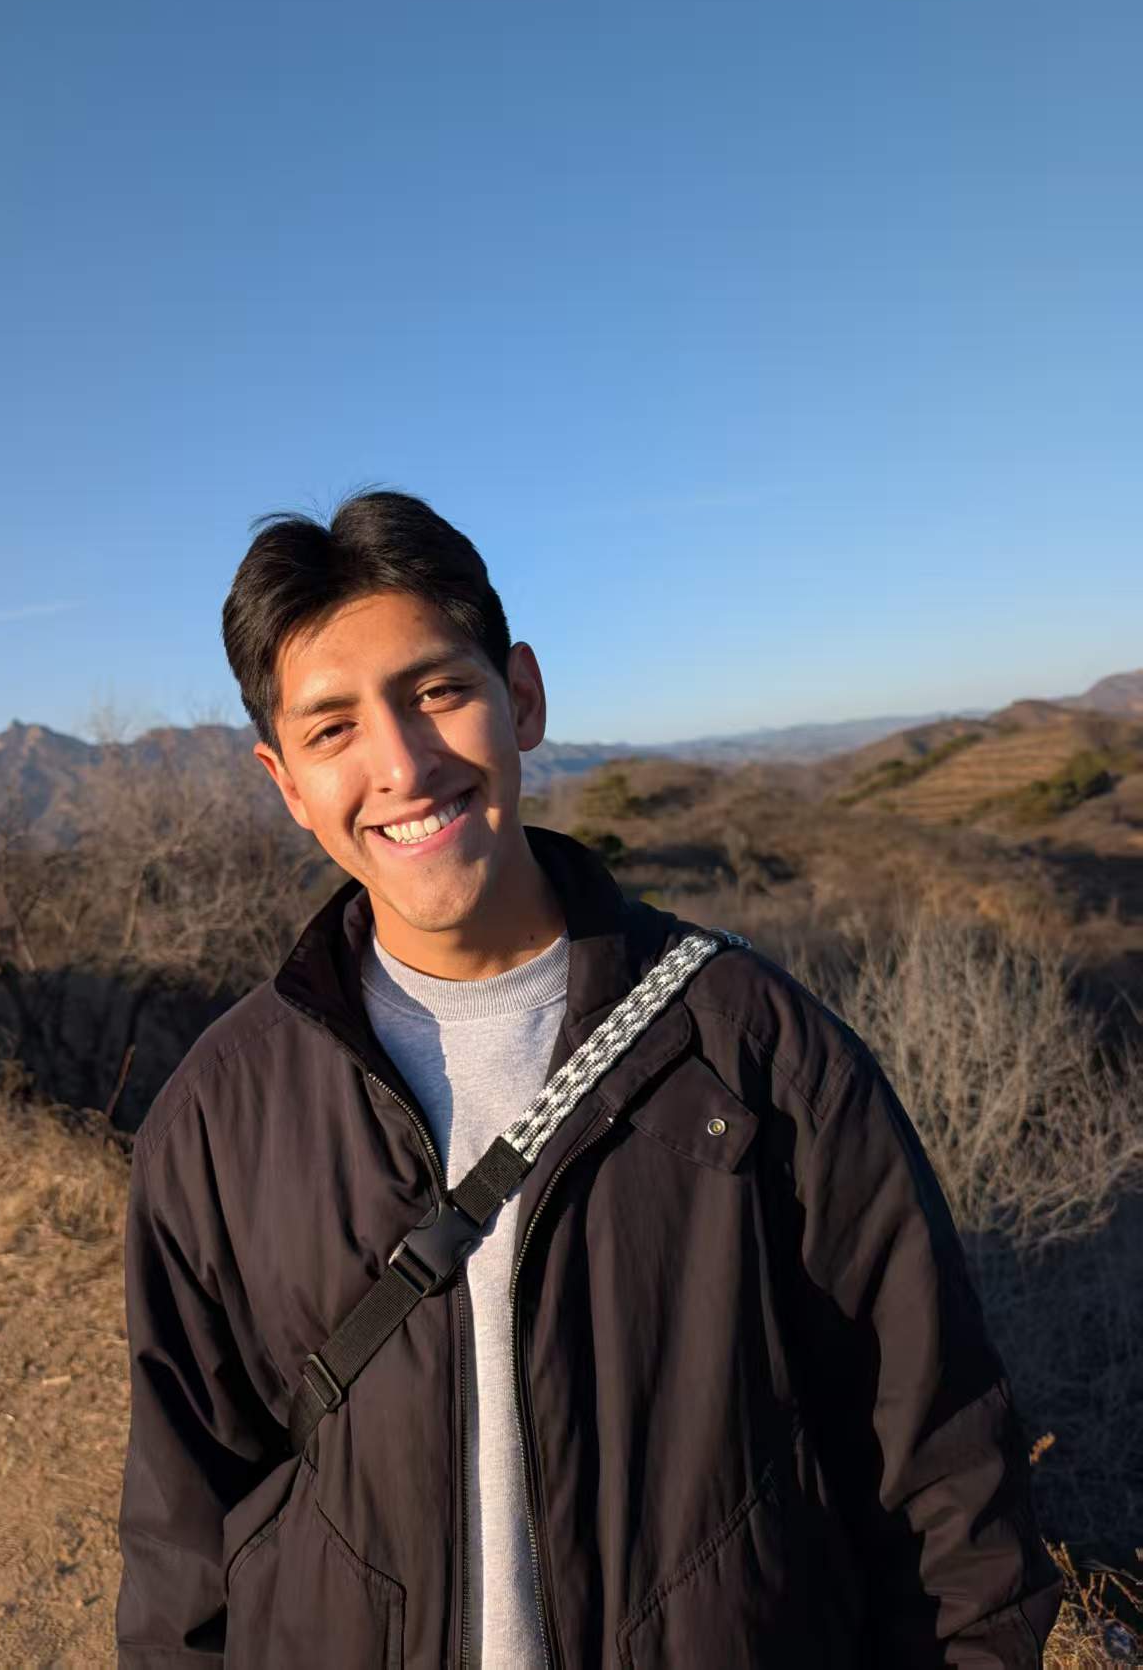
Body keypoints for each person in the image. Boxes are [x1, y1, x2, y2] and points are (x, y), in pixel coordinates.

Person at [115, 490, 1061, 1668]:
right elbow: (183, 1538)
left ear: (520, 697)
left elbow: (946, 1489)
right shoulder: (220, 1116)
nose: (400, 764)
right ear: (286, 783)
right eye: (332, 728)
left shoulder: (759, 1053)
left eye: (435, 692)